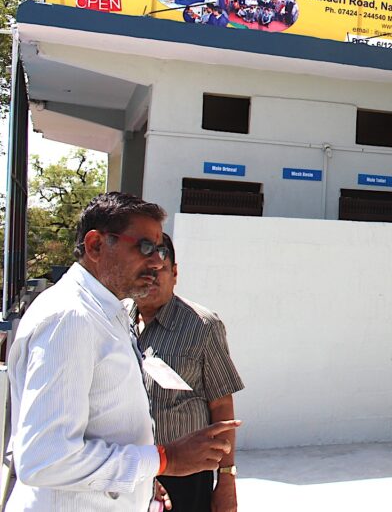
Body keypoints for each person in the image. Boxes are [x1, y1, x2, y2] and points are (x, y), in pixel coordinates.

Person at [6, 192, 240, 511]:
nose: (156, 262)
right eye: (144, 247)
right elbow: (47, 459)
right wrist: (163, 460)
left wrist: (141, 481)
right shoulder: (71, 318)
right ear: (96, 245)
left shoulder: (106, 312)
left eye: (160, 250)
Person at [131, 233, 244, 512]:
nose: (150, 279)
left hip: (186, 476)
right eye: (143, 272)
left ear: (175, 273)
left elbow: (221, 405)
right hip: (130, 469)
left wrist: (226, 479)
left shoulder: (202, 325)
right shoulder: (117, 322)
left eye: (159, 271)